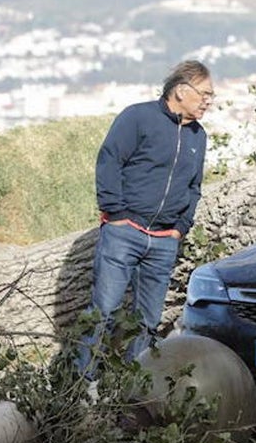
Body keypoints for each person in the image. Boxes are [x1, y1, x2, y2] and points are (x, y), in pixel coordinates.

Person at [75, 60, 214, 381]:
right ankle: (79, 389)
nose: (208, 101)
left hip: (165, 241)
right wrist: (116, 214)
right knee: (103, 313)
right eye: (204, 93)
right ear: (181, 90)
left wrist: (181, 228)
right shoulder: (137, 117)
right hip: (124, 233)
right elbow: (109, 161)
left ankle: (130, 392)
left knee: (148, 321)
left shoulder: (198, 135)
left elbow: (194, 187)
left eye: (211, 95)